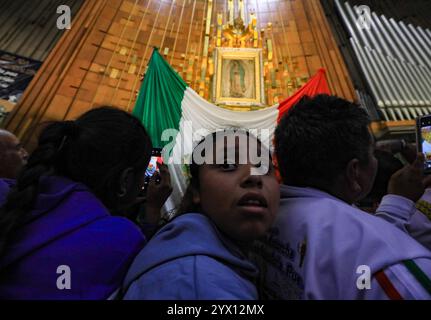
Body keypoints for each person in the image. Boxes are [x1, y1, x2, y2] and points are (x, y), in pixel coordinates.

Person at [255, 94, 431, 299]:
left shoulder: (259, 218)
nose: (376, 159)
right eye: (372, 153)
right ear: (354, 172)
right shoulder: (389, 262)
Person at [0, 107, 163, 299]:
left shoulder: (9, 191)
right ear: (126, 180)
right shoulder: (120, 237)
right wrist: (153, 212)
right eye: (142, 173)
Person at [121, 129, 280, 299]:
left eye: (263, 166)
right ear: (197, 190)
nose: (254, 176)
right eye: (227, 165)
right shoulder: (199, 284)